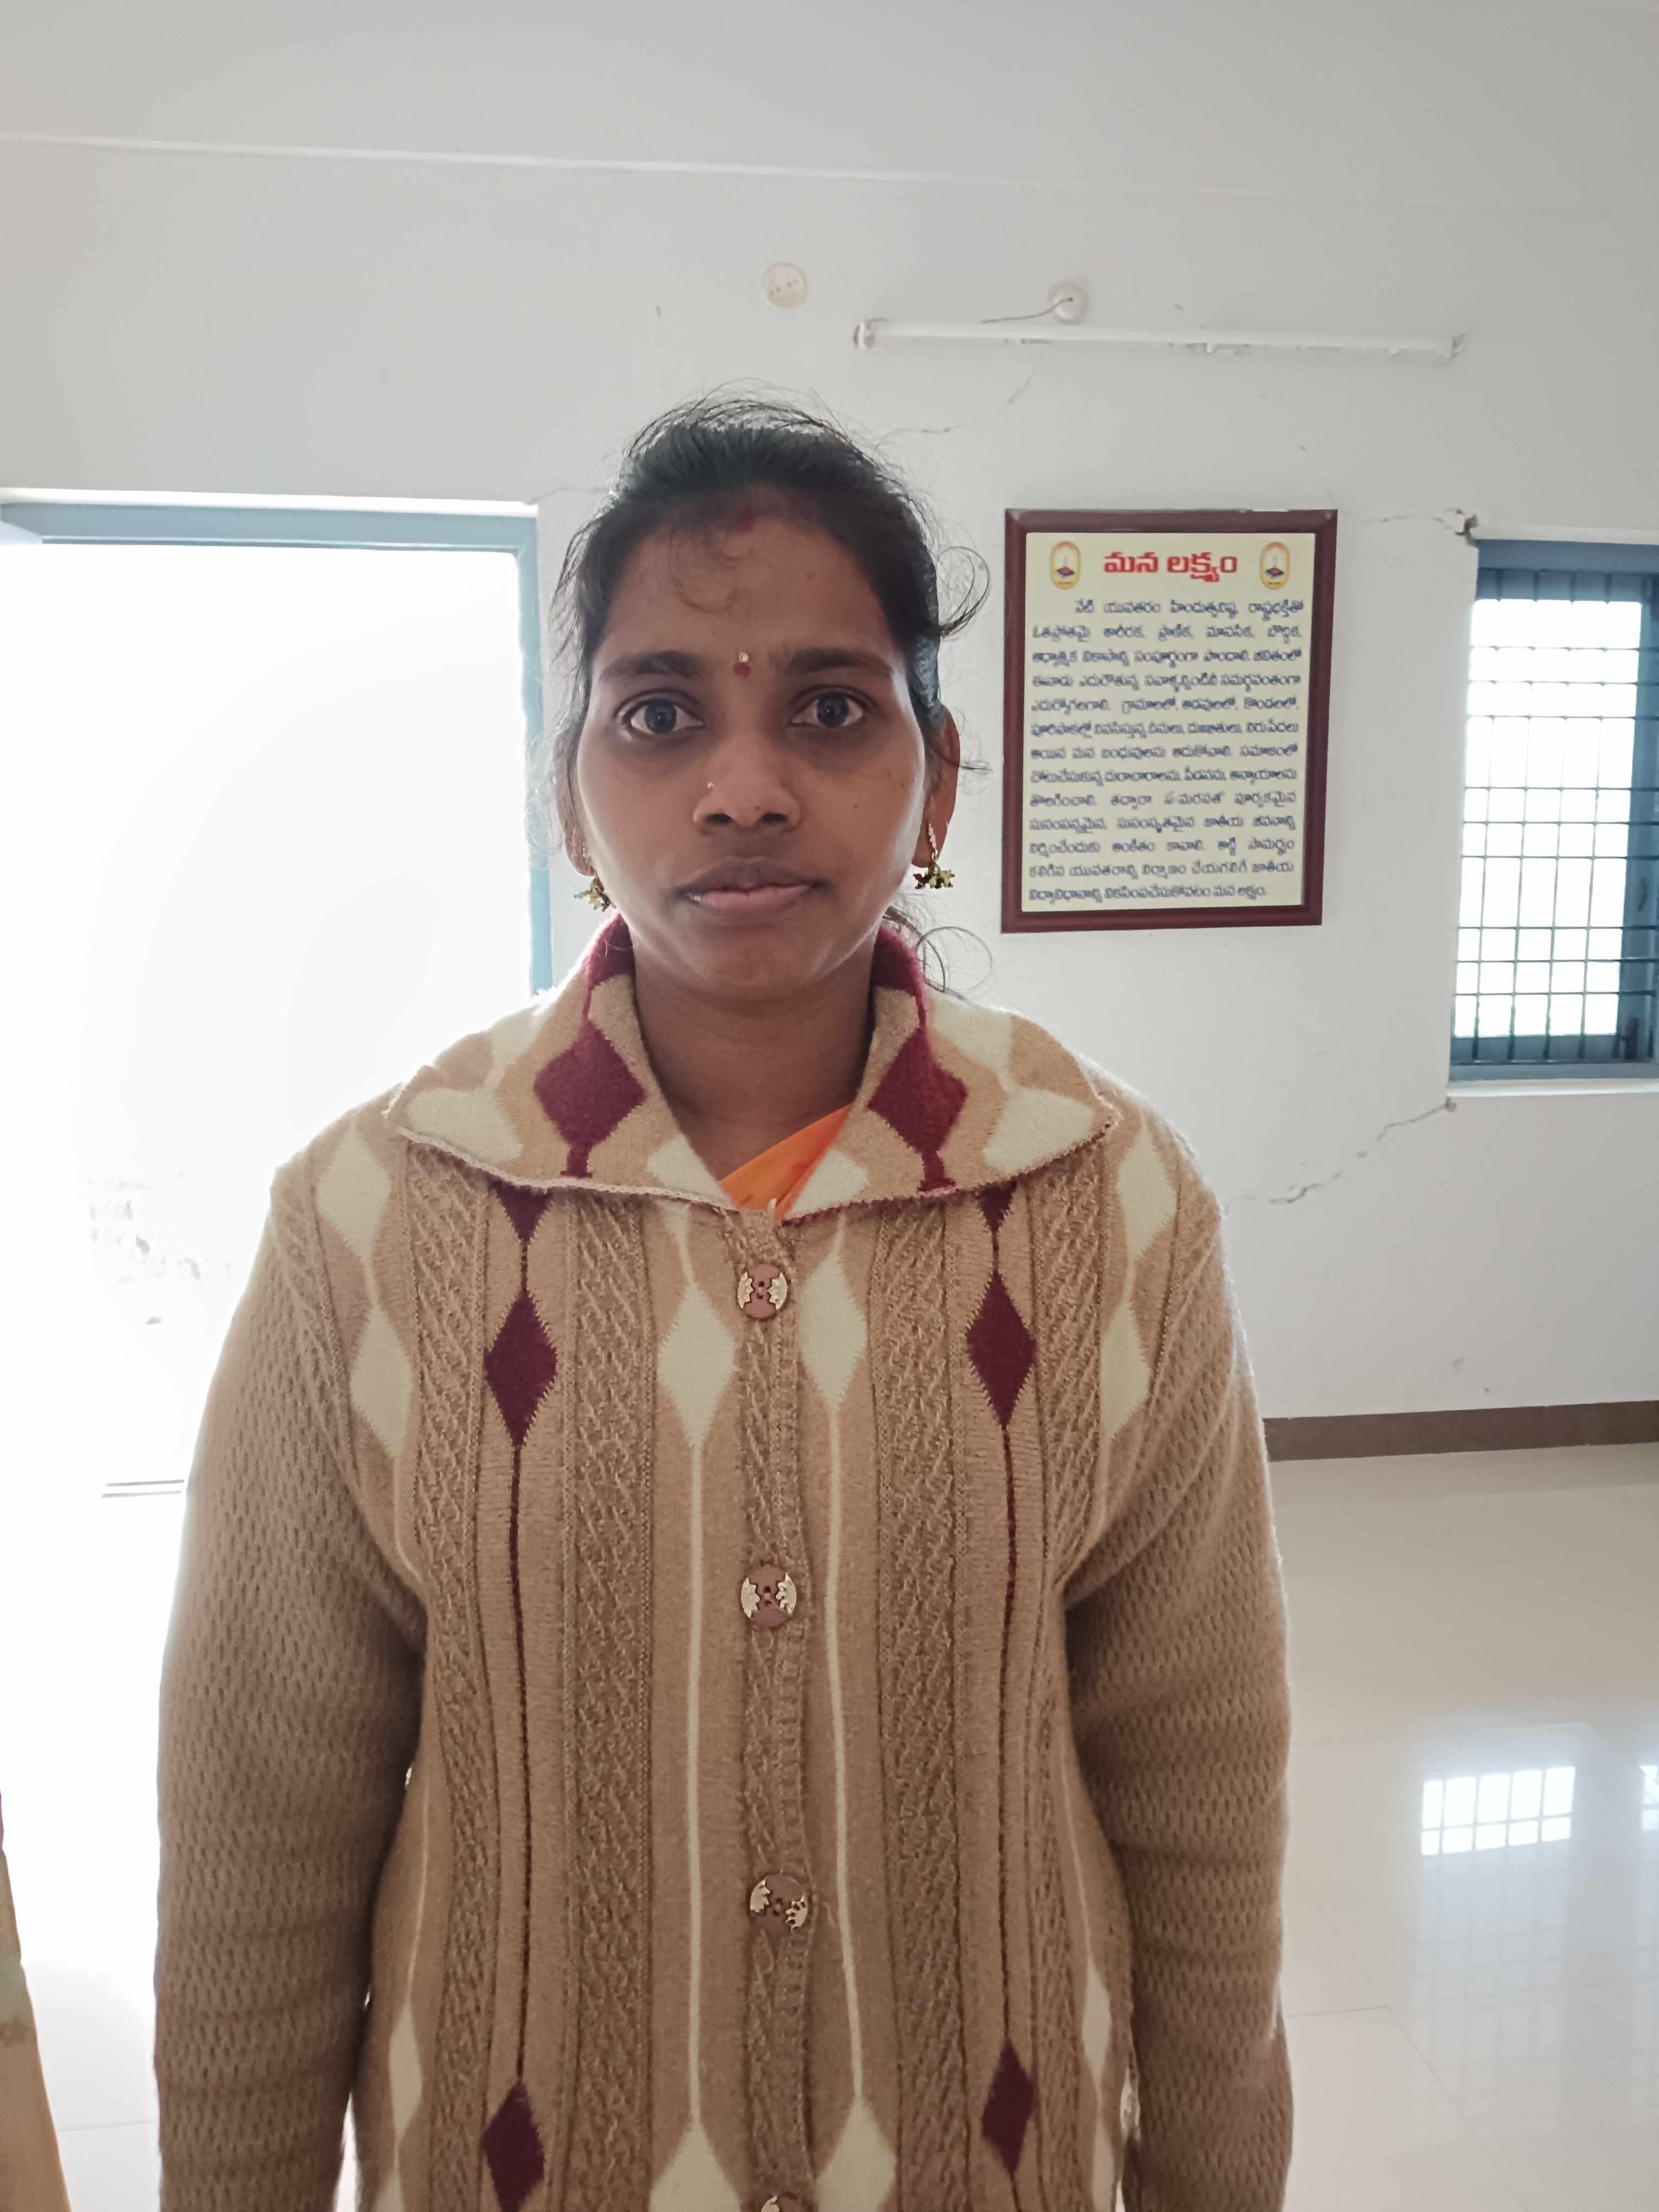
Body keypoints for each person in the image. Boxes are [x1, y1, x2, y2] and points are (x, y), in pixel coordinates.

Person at [155, 392, 1291, 2211]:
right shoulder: (372, 1220)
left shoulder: (1108, 1200)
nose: (744, 787)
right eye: (661, 713)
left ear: (936, 778)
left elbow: (1199, 1786)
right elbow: (259, 1834)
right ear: (571, 794)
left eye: (829, 710)